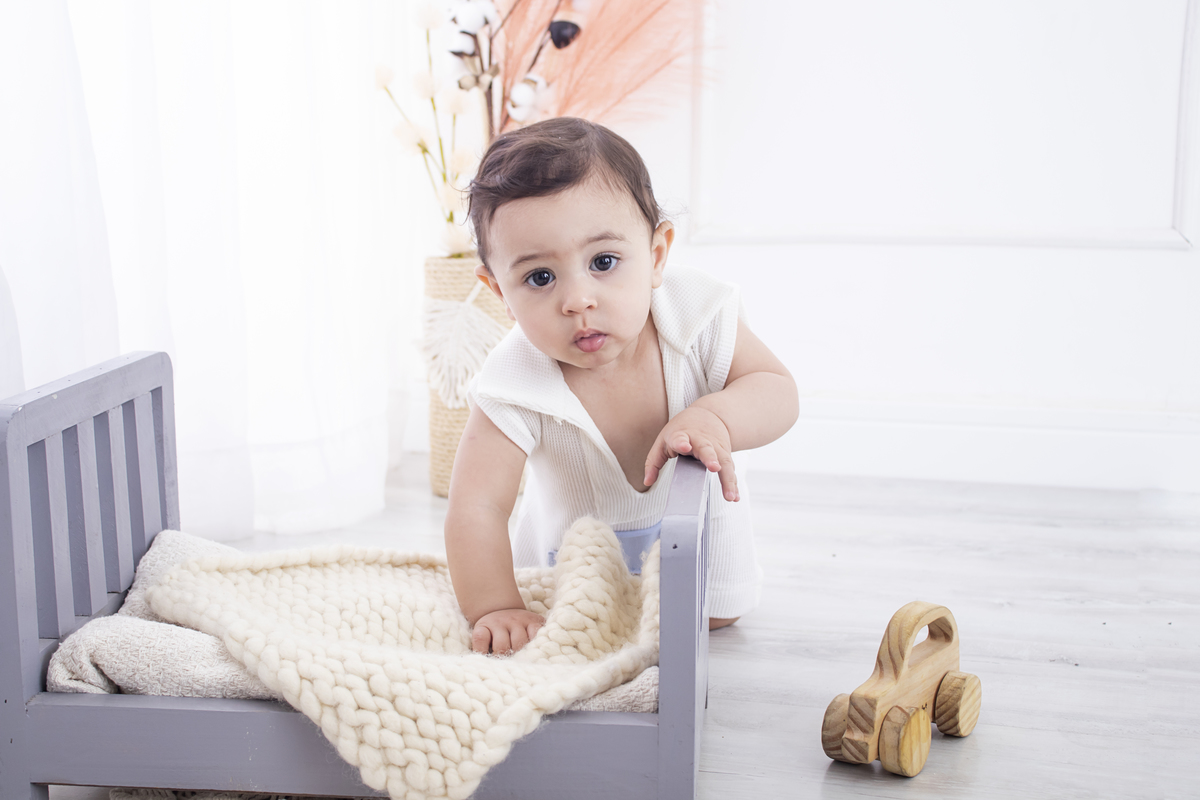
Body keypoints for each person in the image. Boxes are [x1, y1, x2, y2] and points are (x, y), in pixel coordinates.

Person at [445, 117, 798, 655]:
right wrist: (496, 605)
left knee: (711, 619)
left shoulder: (695, 316)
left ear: (656, 256)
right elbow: (478, 506)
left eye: (603, 262)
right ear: (499, 291)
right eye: (540, 278)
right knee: (588, 630)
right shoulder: (513, 378)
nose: (578, 299)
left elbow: (776, 389)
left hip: (701, 548)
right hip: (575, 571)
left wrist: (716, 417)